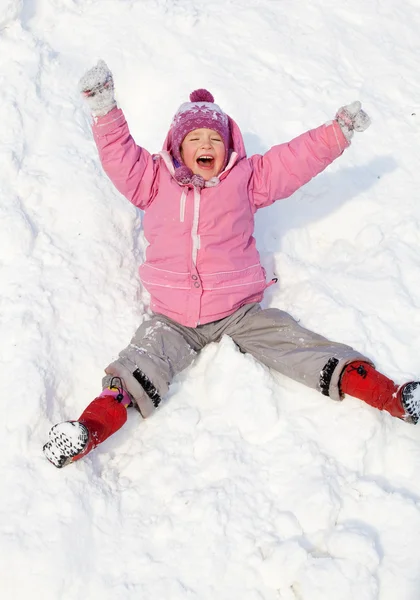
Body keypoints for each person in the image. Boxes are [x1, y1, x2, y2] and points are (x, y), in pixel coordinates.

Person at [43, 60, 420, 468]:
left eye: (214, 139)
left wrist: (337, 132)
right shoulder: (153, 180)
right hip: (172, 319)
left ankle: (392, 396)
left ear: (228, 147)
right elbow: (120, 157)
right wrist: (105, 109)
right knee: (137, 366)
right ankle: (86, 431)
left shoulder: (246, 179)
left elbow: (294, 161)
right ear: (177, 147)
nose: (206, 145)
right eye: (195, 139)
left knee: (296, 344)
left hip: (238, 311)